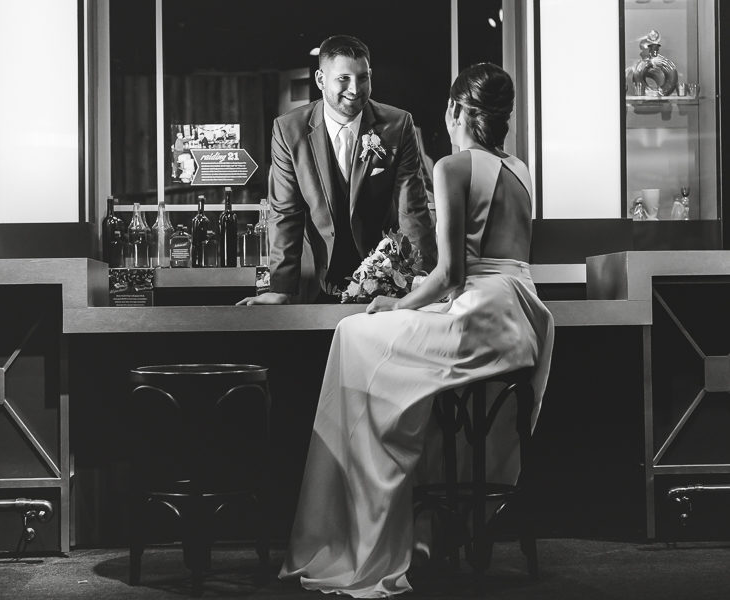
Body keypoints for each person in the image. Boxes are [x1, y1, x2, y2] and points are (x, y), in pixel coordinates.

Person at [279, 63, 555, 597]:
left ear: (455, 111)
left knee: (355, 336)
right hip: (521, 316)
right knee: (394, 351)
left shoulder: (453, 167)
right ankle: (422, 510)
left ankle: (368, 510)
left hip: (479, 314)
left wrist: (397, 299)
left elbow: (450, 274)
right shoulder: (520, 167)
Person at [236, 34, 435, 305]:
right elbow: (285, 214)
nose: (355, 88)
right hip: (312, 278)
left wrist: (426, 285)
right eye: (343, 78)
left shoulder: (397, 126)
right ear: (321, 80)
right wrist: (281, 288)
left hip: (383, 279)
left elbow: (412, 210)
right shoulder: (288, 129)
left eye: (363, 77)